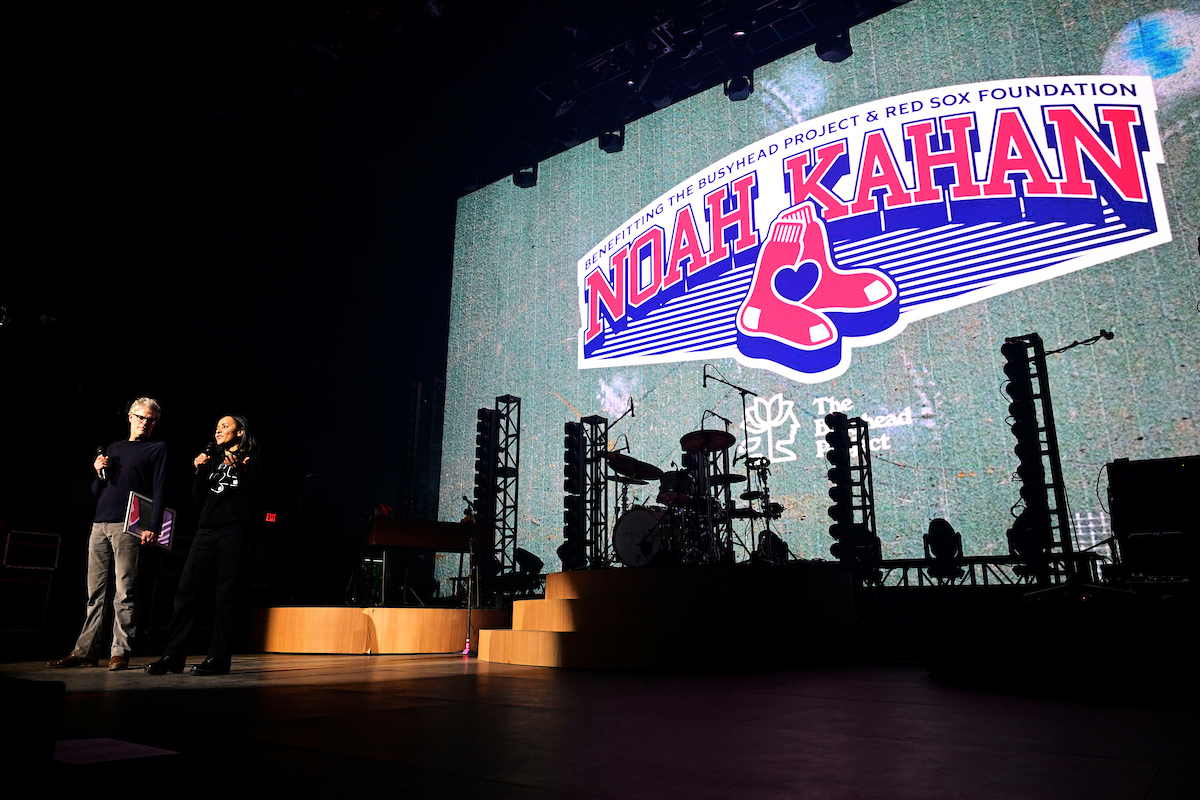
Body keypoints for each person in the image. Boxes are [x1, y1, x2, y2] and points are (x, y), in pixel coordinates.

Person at [48, 397, 167, 671]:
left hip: (130, 525)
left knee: (125, 591)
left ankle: (120, 652)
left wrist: (153, 526)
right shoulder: (114, 448)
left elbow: (159, 489)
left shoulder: (156, 448)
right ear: (129, 417)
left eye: (151, 420)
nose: (145, 423)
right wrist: (98, 471)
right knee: (95, 592)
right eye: (140, 417)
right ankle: (85, 652)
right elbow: (96, 491)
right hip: (100, 523)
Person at [146, 415, 262, 676]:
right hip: (206, 531)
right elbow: (198, 500)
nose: (218, 430)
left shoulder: (252, 461)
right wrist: (199, 471)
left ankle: (219, 658)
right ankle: (173, 656)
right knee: (186, 593)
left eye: (225, 426)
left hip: (235, 532)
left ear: (240, 431)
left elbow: (257, 499)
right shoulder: (212, 460)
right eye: (217, 427)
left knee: (226, 596)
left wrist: (243, 475)